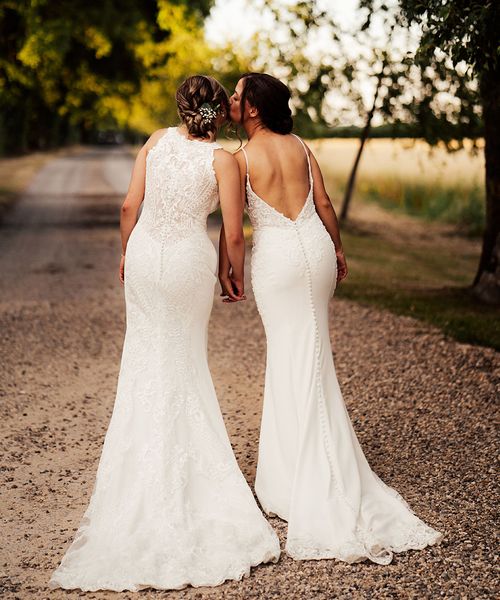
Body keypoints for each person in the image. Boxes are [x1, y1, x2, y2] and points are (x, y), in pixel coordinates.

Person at [49, 75, 280, 593]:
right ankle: (187, 475)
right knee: (185, 362)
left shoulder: (154, 141)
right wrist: (231, 274)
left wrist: (127, 252)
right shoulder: (223, 160)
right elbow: (234, 231)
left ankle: (138, 472)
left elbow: (129, 206)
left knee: (144, 361)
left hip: (148, 258)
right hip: (186, 263)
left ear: (181, 108)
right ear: (220, 113)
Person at [219, 72, 443, 564]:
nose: (231, 101)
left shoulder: (237, 160)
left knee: (288, 355)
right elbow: (322, 204)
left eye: (237, 95)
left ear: (253, 108)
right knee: (313, 353)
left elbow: (234, 230)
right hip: (314, 250)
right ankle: (300, 466)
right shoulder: (299, 146)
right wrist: (338, 248)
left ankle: (297, 477)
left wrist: (227, 272)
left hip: (277, 258)